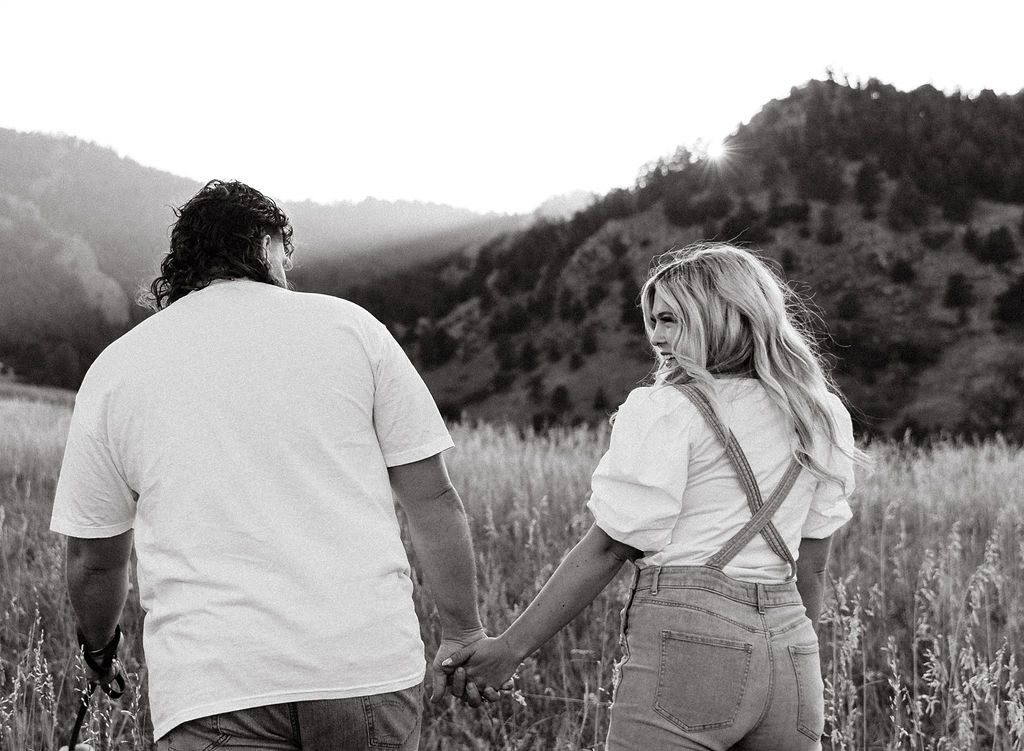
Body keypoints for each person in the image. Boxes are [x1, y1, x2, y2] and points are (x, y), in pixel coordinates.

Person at [50, 179, 491, 751]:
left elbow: (94, 558)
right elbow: (432, 499)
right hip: (363, 668)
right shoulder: (354, 330)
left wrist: (99, 650)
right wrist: (462, 630)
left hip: (215, 683)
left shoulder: (116, 369)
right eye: (286, 254)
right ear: (267, 245)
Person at [442, 243, 869, 749]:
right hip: (793, 651)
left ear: (719, 315)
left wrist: (510, 649)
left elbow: (611, 546)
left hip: (691, 648)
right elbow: (812, 566)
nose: (656, 338)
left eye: (670, 319)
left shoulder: (668, 409)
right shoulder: (819, 415)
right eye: (652, 321)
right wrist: (794, 661)